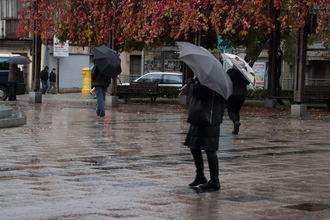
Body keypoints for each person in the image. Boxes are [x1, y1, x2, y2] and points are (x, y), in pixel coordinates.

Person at [184, 78, 226, 192]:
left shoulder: (215, 83)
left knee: (210, 149)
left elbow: (200, 94)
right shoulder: (202, 80)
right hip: (199, 117)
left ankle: (214, 180)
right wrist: (193, 83)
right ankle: (200, 175)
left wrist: (194, 85)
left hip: (209, 119)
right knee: (194, 147)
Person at [226, 68, 250, 134]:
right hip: (242, 94)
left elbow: (226, 81)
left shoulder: (230, 72)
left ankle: (235, 122)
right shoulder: (244, 72)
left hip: (232, 93)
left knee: (230, 110)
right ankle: (235, 127)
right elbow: (248, 82)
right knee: (237, 111)